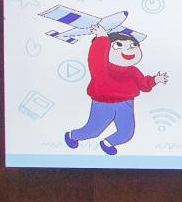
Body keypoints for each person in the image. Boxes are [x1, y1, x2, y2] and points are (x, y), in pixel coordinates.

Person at [63, 24, 167, 155]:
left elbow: (144, 85)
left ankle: (107, 143)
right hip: (103, 104)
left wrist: (155, 80)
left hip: (126, 104)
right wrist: (101, 38)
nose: (129, 49)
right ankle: (72, 136)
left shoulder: (133, 71)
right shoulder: (102, 68)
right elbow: (96, 58)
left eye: (133, 45)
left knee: (127, 133)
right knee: (93, 131)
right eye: (118, 45)